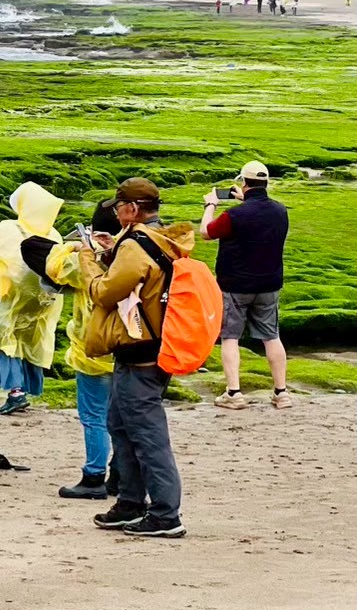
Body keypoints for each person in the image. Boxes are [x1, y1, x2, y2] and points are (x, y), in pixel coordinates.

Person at [79, 178, 193, 539]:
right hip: (157, 348)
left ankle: (165, 514)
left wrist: (88, 259)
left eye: (118, 208)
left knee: (146, 435)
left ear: (130, 209)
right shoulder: (166, 239)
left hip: (139, 354)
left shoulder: (136, 245)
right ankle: (129, 503)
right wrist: (113, 253)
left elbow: (104, 291)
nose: (117, 214)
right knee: (122, 426)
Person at [38, 202, 121, 499]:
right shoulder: (131, 254)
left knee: (94, 417)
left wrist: (73, 246)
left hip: (91, 353)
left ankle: (94, 475)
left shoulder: (85, 262)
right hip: (126, 351)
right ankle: (120, 474)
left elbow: (53, 266)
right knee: (121, 420)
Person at [202, 161, 291, 410]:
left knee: (230, 337)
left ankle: (234, 392)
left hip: (235, 285)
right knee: (272, 336)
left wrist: (210, 205)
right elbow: (258, 218)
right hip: (269, 284)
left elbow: (206, 233)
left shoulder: (235, 215)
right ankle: (281, 392)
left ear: (244, 182)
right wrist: (244, 199)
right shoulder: (280, 211)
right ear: (266, 183)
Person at [0, 182, 64, 415]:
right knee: (34, 339)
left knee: (5, 338)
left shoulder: (10, 229)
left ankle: (16, 392)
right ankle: (26, 388)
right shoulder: (53, 233)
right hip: (47, 298)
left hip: (15, 296)